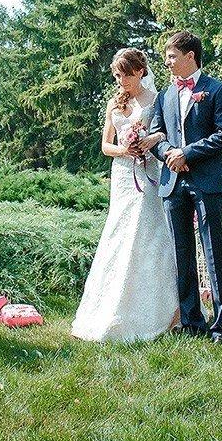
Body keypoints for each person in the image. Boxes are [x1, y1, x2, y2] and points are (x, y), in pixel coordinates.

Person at [72, 48, 179, 342]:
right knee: (118, 233)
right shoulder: (114, 103)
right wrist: (125, 149)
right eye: (118, 76)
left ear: (141, 71)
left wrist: (150, 140)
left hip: (148, 173)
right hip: (122, 176)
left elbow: (167, 133)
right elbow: (105, 146)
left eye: (127, 75)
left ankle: (163, 310)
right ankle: (111, 307)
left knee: (148, 234)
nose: (122, 81)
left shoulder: (157, 99)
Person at [147, 31, 222, 343]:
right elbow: (156, 135)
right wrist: (171, 155)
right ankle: (191, 321)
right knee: (181, 253)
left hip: (207, 181)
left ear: (190, 56)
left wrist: (187, 153)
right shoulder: (164, 95)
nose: (167, 62)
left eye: (172, 56)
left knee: (213, 251)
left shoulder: (217, 90)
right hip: (173, 183)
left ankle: (221, 324)